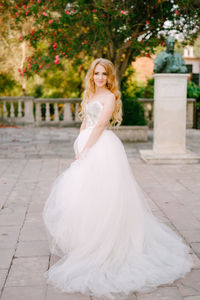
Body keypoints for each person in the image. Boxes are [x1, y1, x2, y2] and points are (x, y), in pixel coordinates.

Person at [43, 58, 193, 300]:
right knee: (83, 195)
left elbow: (101, 125)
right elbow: (86, 121)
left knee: (105, 197)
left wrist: (86, 150)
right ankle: (85, 241)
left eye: (104, 74)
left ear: (109, 76)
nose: (100, 78)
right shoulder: (90, 94)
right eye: (96, 74)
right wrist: (78, 142)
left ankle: (107, 243)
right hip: (86, 144)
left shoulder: (110, 97)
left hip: (101, 149)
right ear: (92, 75)